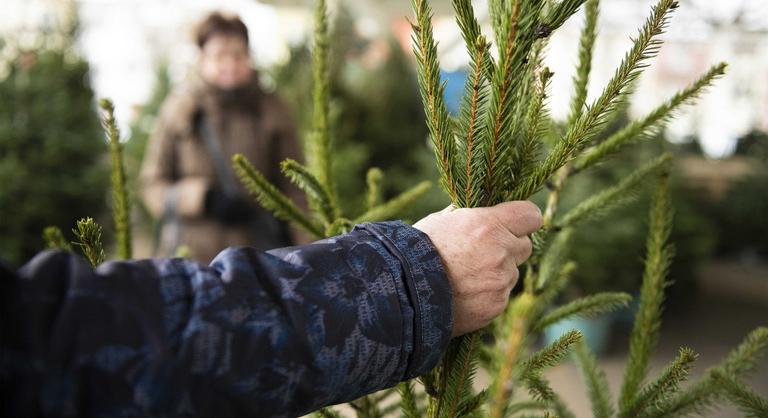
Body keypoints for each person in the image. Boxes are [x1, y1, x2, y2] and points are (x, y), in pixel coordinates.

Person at [1, 201, 542, 417]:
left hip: (259, 247)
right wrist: (411, 278)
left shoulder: (267, 104)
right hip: (206, 242)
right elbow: (81, 352)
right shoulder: (185, 109)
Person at [140, 12, 305, 263]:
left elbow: (297, 190)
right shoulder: (178, 109)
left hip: (258, 260)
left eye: (238, 54)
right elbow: (151, 186)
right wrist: (200, 198)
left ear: (249, 56)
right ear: (203, 58)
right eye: (219, 56)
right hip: (192, 262)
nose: (230, 64)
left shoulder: (273, 109)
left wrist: (309, 253)